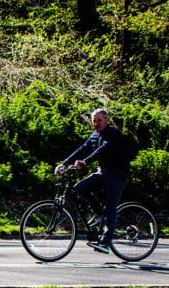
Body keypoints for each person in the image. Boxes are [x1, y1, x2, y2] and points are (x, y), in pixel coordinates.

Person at [55, 107, 131, 253]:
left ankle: (106, 242)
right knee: (80, 187)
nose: (96, 124)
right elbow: (82, 148)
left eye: (99, 121)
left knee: (111, 206)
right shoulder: (95, 134)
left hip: (117, 174)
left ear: (107, 120)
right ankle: (99, 213)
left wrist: (85, 162)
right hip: (103, 172)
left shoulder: (113, 134)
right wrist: (64, 163)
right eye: (94, 121)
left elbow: (102, 149)